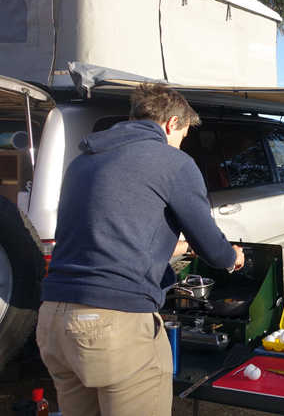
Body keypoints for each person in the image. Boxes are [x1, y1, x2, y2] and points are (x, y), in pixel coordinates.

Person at [36, 82, 245, 416]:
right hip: (113, 322)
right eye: (183, 135)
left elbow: (102, 237)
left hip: (53, 320)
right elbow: (213, 249)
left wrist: (175, 248)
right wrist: (233, 256)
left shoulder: (83, 160)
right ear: (172, 123)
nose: (180, 143)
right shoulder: (173, 162)